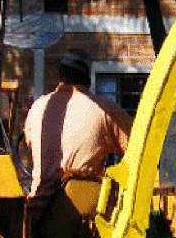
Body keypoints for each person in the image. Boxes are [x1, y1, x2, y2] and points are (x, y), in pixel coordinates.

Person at [23, 49, 133, 218]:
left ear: (60, 75)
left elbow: (30, 145)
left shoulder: (37, 108)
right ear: (88, 77)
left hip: (36, 212)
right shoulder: (103, 109)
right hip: (79, 216)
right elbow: (136, 145)